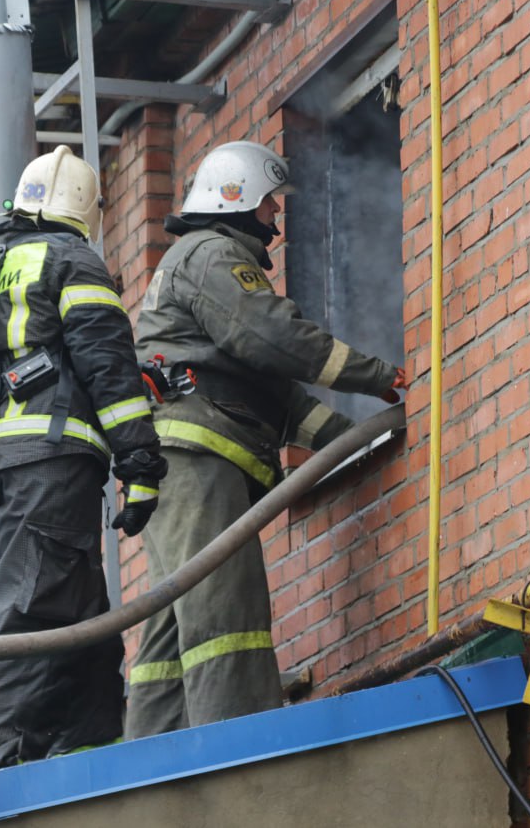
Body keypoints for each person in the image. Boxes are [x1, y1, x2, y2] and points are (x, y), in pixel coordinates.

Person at [124, 140, 407, 738]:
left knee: (180, 615)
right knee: (226, 611)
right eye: (271, 204)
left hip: (189, 465)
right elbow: (275, 337)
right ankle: (239, 746)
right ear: (241, 198)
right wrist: (379, 376)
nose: (277, 218)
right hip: (199, 463)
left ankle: (153, 755)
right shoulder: (211, 254)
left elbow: (278, 403)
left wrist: (363, 440)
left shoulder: (199, 266)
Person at [0, 145, 168, 770]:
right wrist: (141, 465)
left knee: (86, 634)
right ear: (86, 210)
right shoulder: (72, 258)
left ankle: (92, 764)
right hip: (47, 466)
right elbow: (106, 362)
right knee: (30, 616)